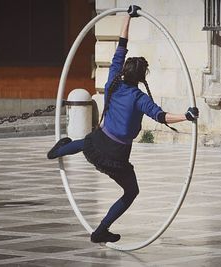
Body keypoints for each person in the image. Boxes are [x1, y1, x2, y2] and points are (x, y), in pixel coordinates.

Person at [47, 6, 198, 243]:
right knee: (131, 192)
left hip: (98, 143)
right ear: (141, 77)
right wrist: (187, 116)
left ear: (125, 70)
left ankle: (57, 150)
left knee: (85, 142)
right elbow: (162, 116)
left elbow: (121, 44)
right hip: (115, 154)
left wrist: (127, 16)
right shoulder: (139, 98)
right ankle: (101, 230)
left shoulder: (113, 80)